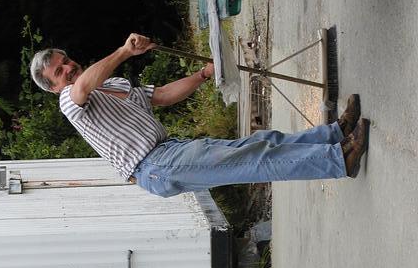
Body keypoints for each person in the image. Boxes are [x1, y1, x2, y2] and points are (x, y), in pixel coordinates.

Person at [30, 33, 370, 198]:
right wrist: (123, 51)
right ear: (54, 88)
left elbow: (162, 96)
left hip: (167, 151)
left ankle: (334, 135)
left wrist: (204, 74)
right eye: (59, 72)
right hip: (153, 165)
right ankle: (340, 160)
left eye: (66, 61)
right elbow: (82, 87)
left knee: (261, 143)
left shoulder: (112, 85)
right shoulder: (69, 102)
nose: (68, 68)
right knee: (253, 160)